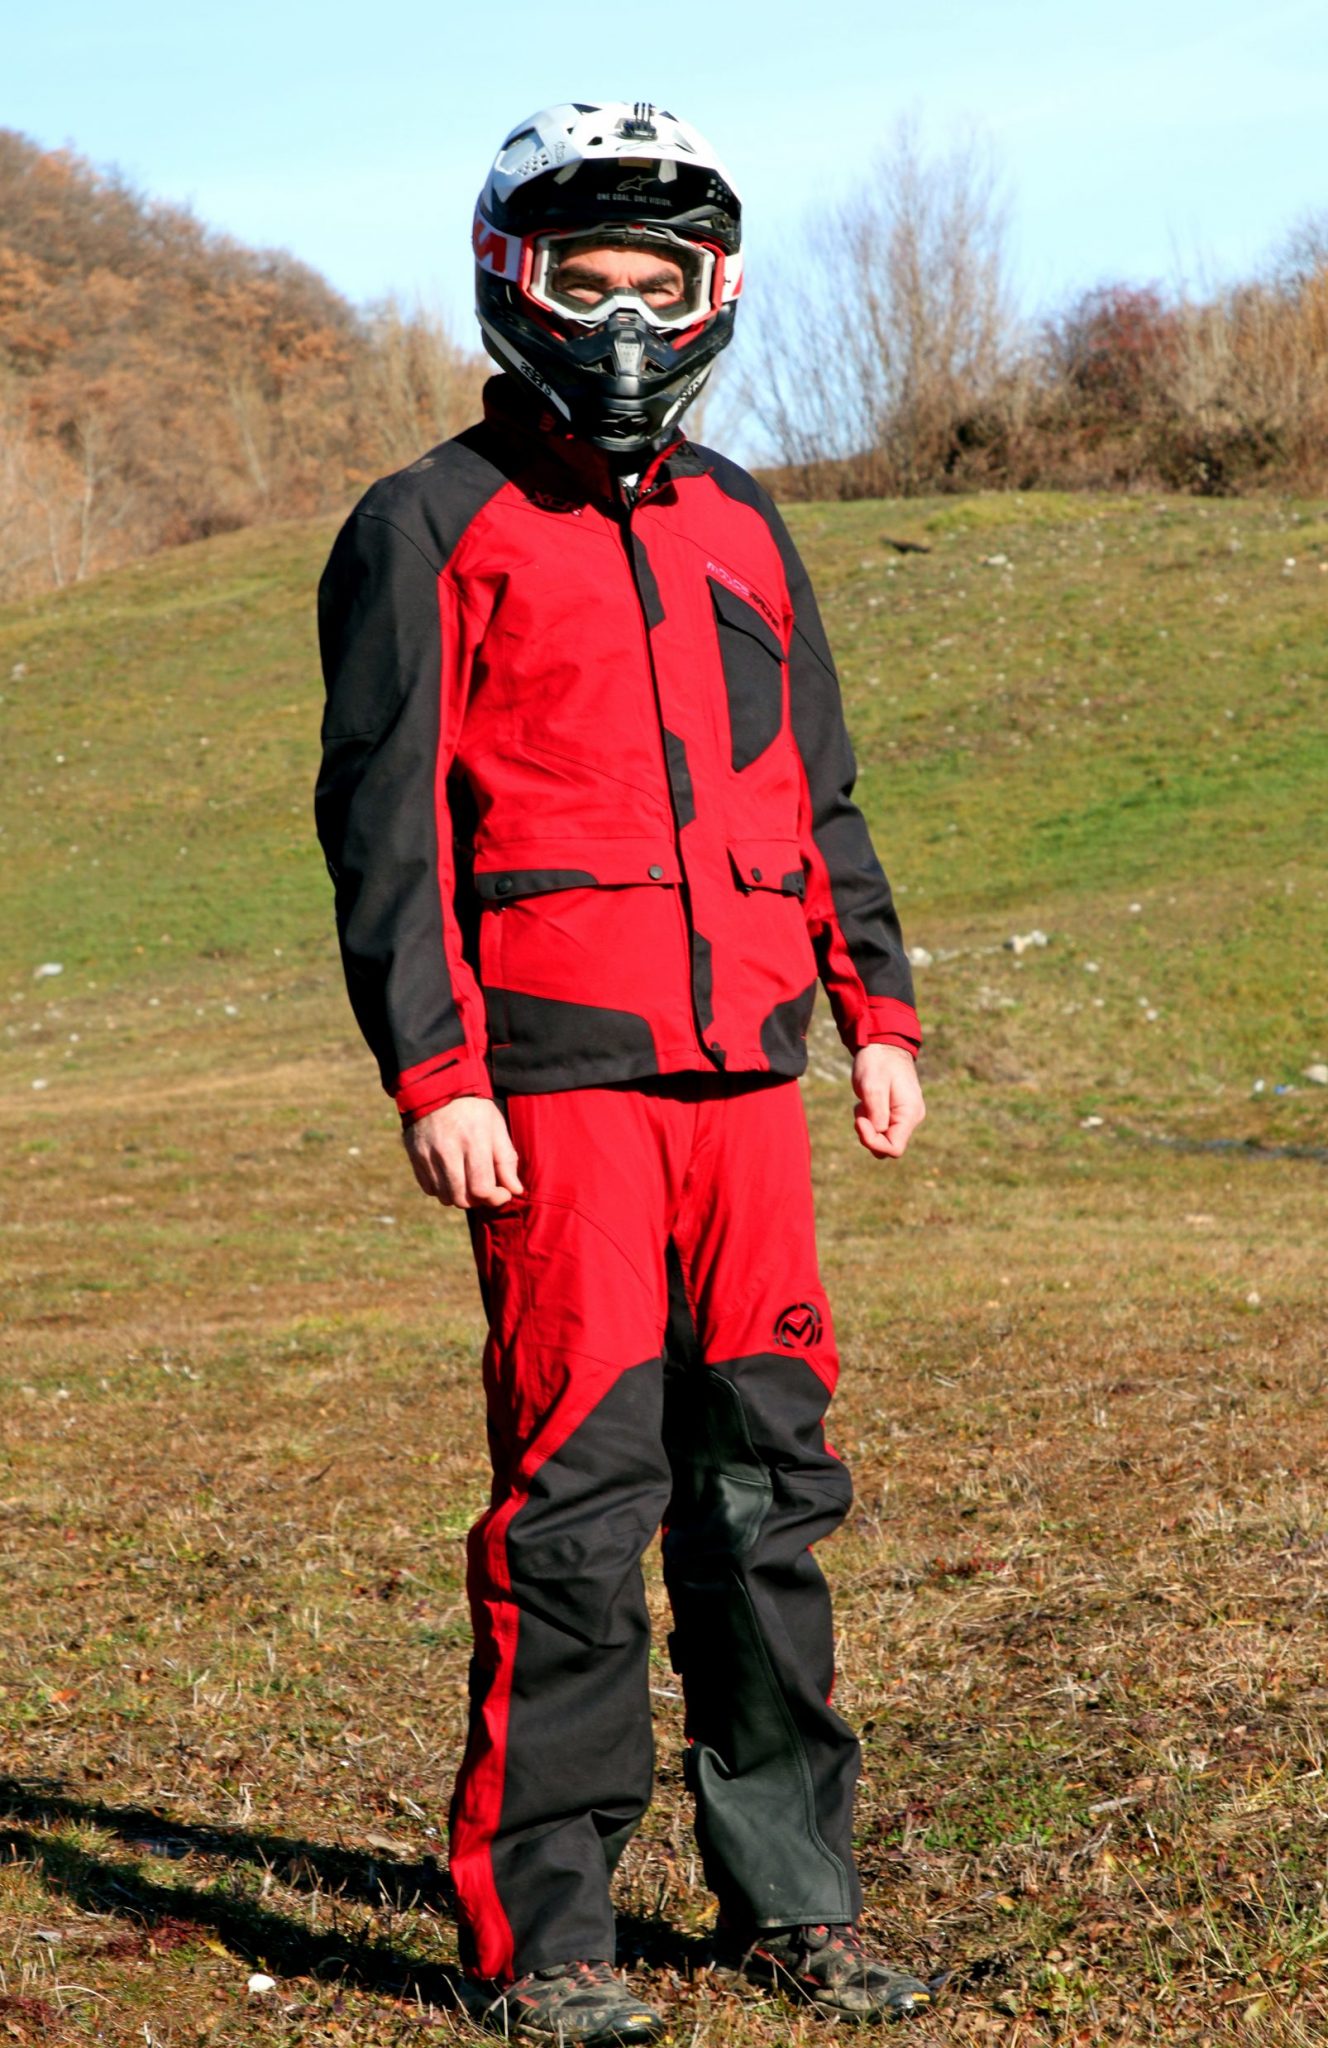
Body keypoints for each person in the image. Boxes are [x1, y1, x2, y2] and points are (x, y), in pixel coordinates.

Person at [315, 101, 931, 2043]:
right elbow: (386, 827)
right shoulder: (429, 523)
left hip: (744, 1086)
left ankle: (793, 1898)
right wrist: (437, 1071)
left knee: (768, 1485)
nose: (625, 317)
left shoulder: (744, 521)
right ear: (515, 285)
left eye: (656, 281)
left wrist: (877, 1011)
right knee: (580, 1502)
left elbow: (813, 788)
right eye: (585, 281)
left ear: (710, 293)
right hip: (554, 1091)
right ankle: (550, 1929)